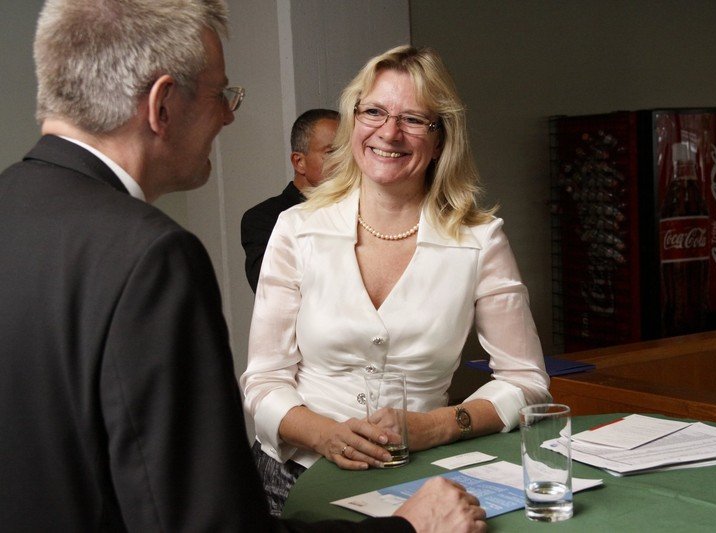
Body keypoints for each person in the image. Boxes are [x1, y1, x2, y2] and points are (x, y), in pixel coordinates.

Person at [0, 2, 486, 532]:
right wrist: (408, 528)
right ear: (162, 104)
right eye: (221, 95)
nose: (229, 116)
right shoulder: (152, 256)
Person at [241, 44, 551, 514]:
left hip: (420, 479)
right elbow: (264, 380)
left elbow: (526, 380)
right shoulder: (296, 228)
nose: (389, 132)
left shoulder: (480, 239)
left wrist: (437, 426)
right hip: (291, 481)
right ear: (353, 122)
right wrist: (325, 435)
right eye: (374, 112)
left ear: (440, 138)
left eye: (413, 119)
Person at [241, 109, 339, 292]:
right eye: (332, 152)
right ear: (299, 162)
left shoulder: (361, 209)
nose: (344, 161)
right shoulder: (263, 218)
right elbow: (271, 291)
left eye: (348, 152)